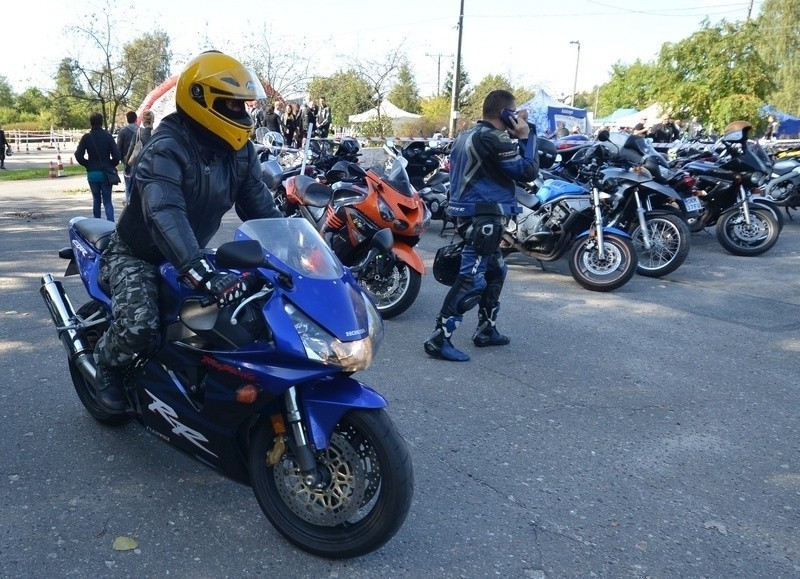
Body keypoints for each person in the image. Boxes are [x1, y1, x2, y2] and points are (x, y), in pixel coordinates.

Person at [91, 50, 283, 414]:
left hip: (189, 252)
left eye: (246, 106)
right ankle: (106, 367)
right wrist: (198, 269)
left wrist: (307, 255)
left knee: (249, 313)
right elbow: (165, 213)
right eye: (234, 105)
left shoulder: (239, 153)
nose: (244, 115)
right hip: (138, 253)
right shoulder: (165, 148)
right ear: (200, 100)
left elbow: (264, 210)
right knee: (140, 326)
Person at [423, 89, 539, 362]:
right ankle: (440, 338)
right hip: (484, 216)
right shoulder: (493, 136)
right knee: (470, 279)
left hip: (471, 214)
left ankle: (487, 329)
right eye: (513, 112)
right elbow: (527, 170)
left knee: (496, 270)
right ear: (505, 114)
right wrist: (527, 135)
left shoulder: (468, 134)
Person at [75, 112, 122, 221]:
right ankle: (111, 226)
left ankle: (97, 225)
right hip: (106, 173)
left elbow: (78, 155)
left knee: (96, 200)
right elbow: (117, 155)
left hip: (92, 173)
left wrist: (88, 164)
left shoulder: (86, 137)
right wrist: (111, 164)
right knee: (107, 201)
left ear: (91, 123)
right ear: (101, 122)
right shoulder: (108, 136)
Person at [117, 111, 138, 204]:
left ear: (127, 119)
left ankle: (129, 203)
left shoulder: (123, 132)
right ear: (136, 119)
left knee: (128, 184)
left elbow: (119, 148)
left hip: (127, 162)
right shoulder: (141, 131)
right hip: (139, 161)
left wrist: (120, 160)